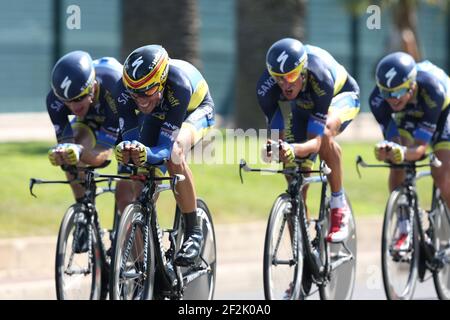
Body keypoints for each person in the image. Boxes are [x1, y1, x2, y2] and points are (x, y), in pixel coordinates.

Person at [113, 45, 215, 267]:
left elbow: (165, 148)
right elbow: (130, 137)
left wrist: (146, 153)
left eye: (146, 92)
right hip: (160, 111)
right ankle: (150, 254)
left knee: (175, 154)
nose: (139, 100)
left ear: (160, 82)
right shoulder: (124, 88)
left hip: (194, 110)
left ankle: (193, 230)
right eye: (134, 93)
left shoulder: (178, 84)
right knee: (140, 179)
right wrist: (129, 150)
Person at [257, 38, 360, 243]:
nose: (286, 85)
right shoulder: (266, 88)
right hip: (304, 106)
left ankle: (339, 204)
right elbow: (277, 134)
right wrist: (273, 149)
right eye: (279, 78)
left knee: (326, 133)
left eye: (292, 76)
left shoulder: (320, 77)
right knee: (293, 174)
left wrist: (293, 149)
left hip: (339, 97)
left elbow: (316, 142)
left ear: (303, 70)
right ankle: (302, 247)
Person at [47, 51, 136, 252]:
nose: (72, 106)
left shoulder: (114, 86)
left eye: (78, 99)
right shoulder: (55, 100)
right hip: (93, 119)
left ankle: (130, 250)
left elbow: (103, 153)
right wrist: (68, 152)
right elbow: (68, 141)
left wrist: (81, 152)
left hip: (124, 125)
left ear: (92, 86)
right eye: (66, 101)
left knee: (124, 197)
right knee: (70, 152)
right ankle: (83, 215)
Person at [370, 52, 450, 251]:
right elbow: (394, 140)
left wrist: (405, 152)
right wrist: (389, 151)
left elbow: (421, 148)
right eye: (387, 93)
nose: (392, 99)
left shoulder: (433, 90)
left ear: (412, 85)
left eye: (397, 92)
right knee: (397, 162)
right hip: (409, 114)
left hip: (441, 112)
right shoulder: (378, 100)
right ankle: (404, 224)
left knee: (440, 173)